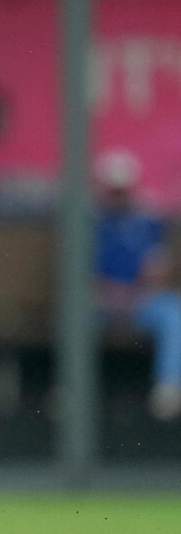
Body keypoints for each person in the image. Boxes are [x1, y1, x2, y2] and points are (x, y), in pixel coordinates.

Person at [93, 151, 181, 422]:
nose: (118, 196)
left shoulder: (147, 222)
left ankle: (168, 388)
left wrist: (154, 274)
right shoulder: (90, 222)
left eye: (123, 190)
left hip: (140, 299)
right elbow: (78, 273)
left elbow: (158, 266)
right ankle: (75, 387)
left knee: (173, 313)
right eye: (113, 190)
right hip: (101, 300)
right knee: (72, 315)